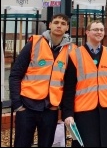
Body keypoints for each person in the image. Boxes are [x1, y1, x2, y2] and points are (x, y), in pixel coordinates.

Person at [9, 13, 77, 147]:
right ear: (50, 25)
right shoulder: (34, 43)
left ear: (67, 28)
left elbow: (70, 84)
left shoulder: (71, 50)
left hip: (50, 108)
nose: (59, 25)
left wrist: (61, 107)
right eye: (56, 22)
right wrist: (17, 104)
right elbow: (15, 74)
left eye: (63, 24)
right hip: (26, 106)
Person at [61, 20, 107, 147]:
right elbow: (69, 88)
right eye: (95, 29)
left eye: (101, 29)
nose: (99, 32)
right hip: (84, 109)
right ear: (87, 32)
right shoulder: (75, 54)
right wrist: (68, 113)